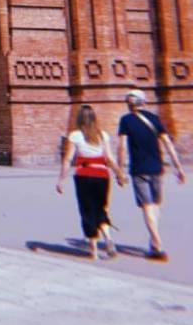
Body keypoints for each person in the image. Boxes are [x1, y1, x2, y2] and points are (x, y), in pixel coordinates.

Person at [116, 89, 185, 261]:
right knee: (154, 206)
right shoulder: (155, 119)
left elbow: (122, 147)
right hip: (157, 168)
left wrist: (120, 169)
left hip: (139, 169)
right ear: (144, 102)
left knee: (147, 206)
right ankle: (153, 242)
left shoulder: (126, 120)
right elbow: (168, 143)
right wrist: (178, 167)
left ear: (130, 104)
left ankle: (157, 243)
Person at [57, 103, 124, 260]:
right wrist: (119, 174)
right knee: (101, 208)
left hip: (84, 175)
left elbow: (68, 159)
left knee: (87, 210)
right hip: (102, 175)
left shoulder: (75, 136)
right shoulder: (102, 135)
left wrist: (61, 180)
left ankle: (93, 250)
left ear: (79, 119)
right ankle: (108, 238)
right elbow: (109, 158)